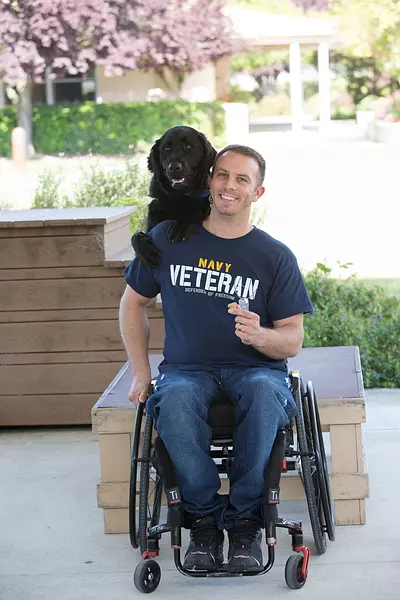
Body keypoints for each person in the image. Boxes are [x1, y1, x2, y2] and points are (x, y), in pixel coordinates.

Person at [119, 144, 314, 574]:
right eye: (222, 175)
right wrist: (139, 371)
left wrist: (261, 334)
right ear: (209, 180)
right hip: (187, 370)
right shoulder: (168, 238)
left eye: (242, 179)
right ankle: (203, 520)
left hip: (256, 370)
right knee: (174, 400)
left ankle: (245, 520)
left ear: (257, 193)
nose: (229, 186)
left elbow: (293, 340)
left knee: (265, 394)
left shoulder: (274, 256)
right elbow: (131, 304)